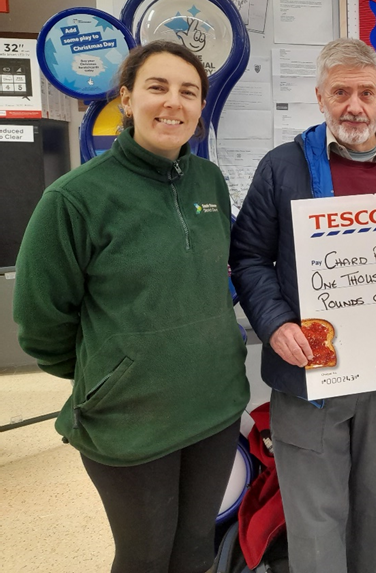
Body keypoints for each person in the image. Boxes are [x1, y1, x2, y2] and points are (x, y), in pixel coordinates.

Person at [14, 40, 249, 573]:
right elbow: (40, 320)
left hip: (212, 407)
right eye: (157, 87)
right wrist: (111, 375)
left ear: (201, 108)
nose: (174, 103)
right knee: (144, 556)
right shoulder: (75, 198)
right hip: (130, 422)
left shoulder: (209, 182)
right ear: (127, 99)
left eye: (189, 92)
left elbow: (218, 276)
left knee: (195, 550)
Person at [229, 38, 376, 573]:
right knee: (316, 521)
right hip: (308, 378)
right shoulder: (282, 167)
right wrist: (274, 324)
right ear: (320, 96)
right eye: (341, 92)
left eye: (367, 93)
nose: (354, 106)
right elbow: (248, 257)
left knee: (375, 511)